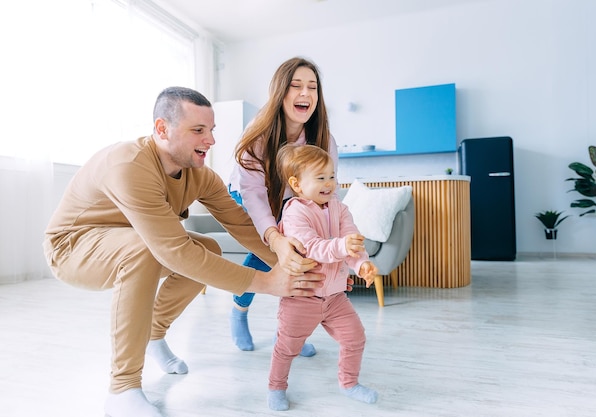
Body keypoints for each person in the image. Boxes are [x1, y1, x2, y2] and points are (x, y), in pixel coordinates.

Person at [42, 87, 324, 417]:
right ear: (162, 129)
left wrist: (299, 268)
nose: (211, 140)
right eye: (198, 131)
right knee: (150, 252)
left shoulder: (198, 174)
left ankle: (153, 335)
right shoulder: (130, 165)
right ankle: (122, 389)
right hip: (72, 247)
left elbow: (243, 225)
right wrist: (268, 283)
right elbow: (173, 252)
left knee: (207, 247)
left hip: (133, 240)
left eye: (212, 130)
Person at [228, 57, 341, 356]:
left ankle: (293, 332)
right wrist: (273, 237)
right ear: (281, 92)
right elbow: (252, 190)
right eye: (296, 86)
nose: (305, 93)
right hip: (249, 194)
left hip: (292, 198)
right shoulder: (259, 133)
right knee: (265, 253)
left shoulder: (323, 139)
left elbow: (327, 192)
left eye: (312, 87)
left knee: (302, 256)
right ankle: (239, 310)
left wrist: (335, 241)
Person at [266, 144, 379, 411]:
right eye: (320, 178)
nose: (329, 183)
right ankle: (276, 387)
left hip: (335, 298)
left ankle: (349, 383)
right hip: (301, 297)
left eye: (332, 176)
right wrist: (342, 246)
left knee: (355, 338)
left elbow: (352, 244)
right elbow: (312, 247)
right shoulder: (295, 212)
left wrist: (362, 264)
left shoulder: (340, 209)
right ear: (297, 184)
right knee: (286, 348)